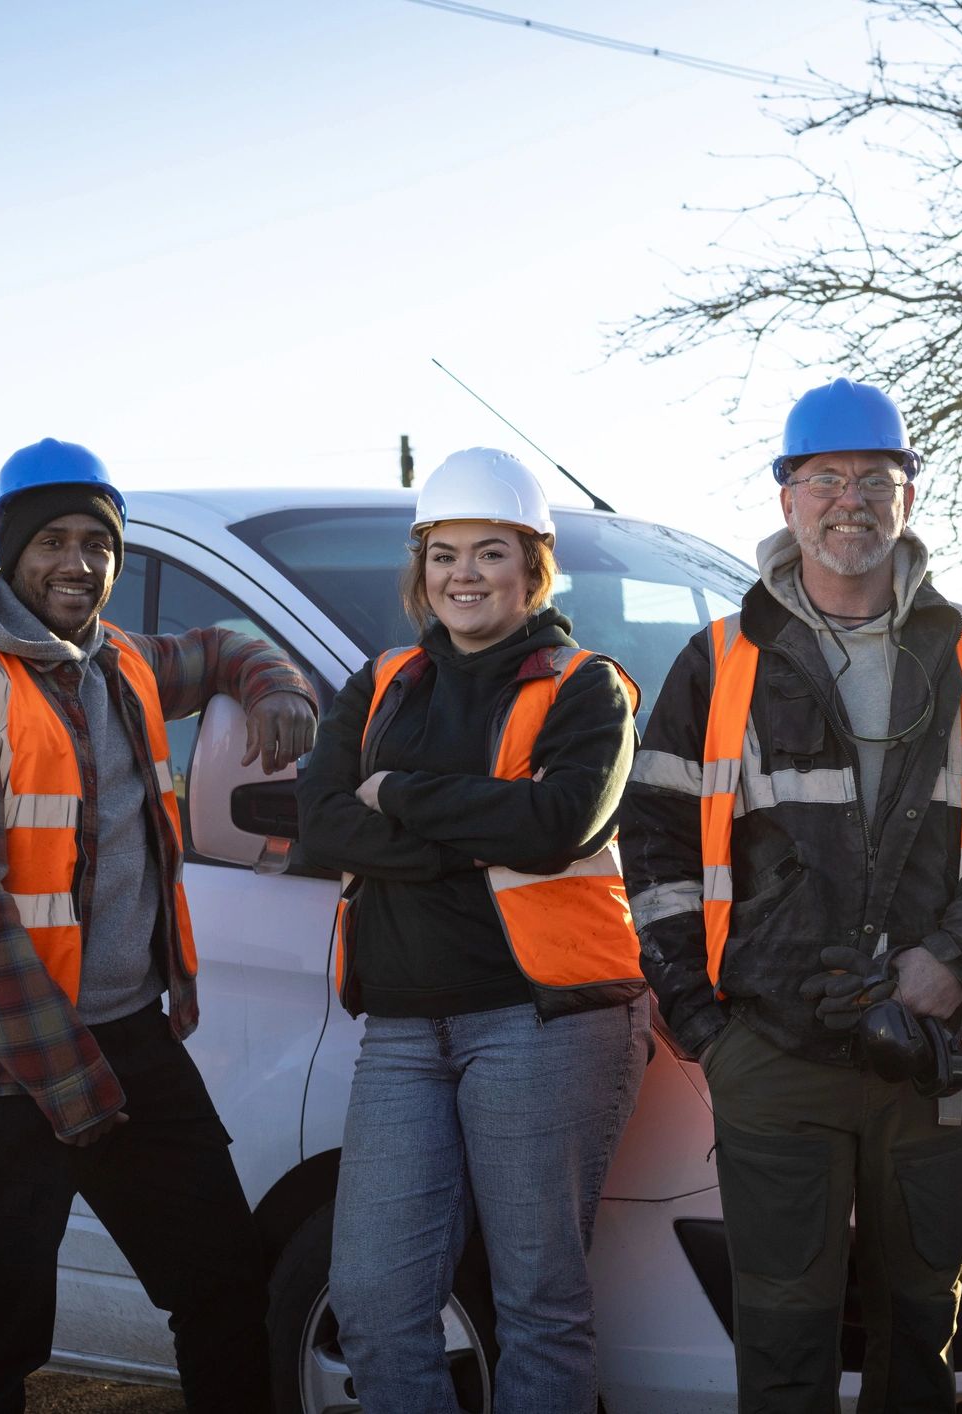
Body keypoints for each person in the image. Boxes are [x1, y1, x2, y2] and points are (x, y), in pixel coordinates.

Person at [620, 378, 962, 1413]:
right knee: (781, 1339)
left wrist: (951, 960)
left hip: (936, 1051)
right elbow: (653, 845)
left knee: (919, 1332)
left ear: (908, 494)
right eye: (824, 478)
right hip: (773, 1052)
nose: (849, 500)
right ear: (786, 500)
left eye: (874, 477)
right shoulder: (723, 661)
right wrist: (703, 1021)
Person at [0, 438, 316, 1413]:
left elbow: (221, 643)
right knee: (0, 1339)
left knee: (223, 1286)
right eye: (53, 541)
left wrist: (276, 684)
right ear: (7, 552)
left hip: (131, 1037)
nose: (79, 562)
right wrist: (73, 1086)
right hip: (7, 1068)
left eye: (98, 541)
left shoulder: (118, 661)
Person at [295, 447, 648, 1413]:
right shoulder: (381, 684)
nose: (464, 575)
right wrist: (472, 828)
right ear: (420, 568)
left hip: (542, 1019)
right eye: (443, 554)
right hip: (404, 1027)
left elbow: (557, 825)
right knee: (372, 1297)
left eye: (489, 553)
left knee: (539, 1302)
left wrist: (400, 797)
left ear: (533, 566)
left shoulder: (588, 686)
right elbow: (322, 822)